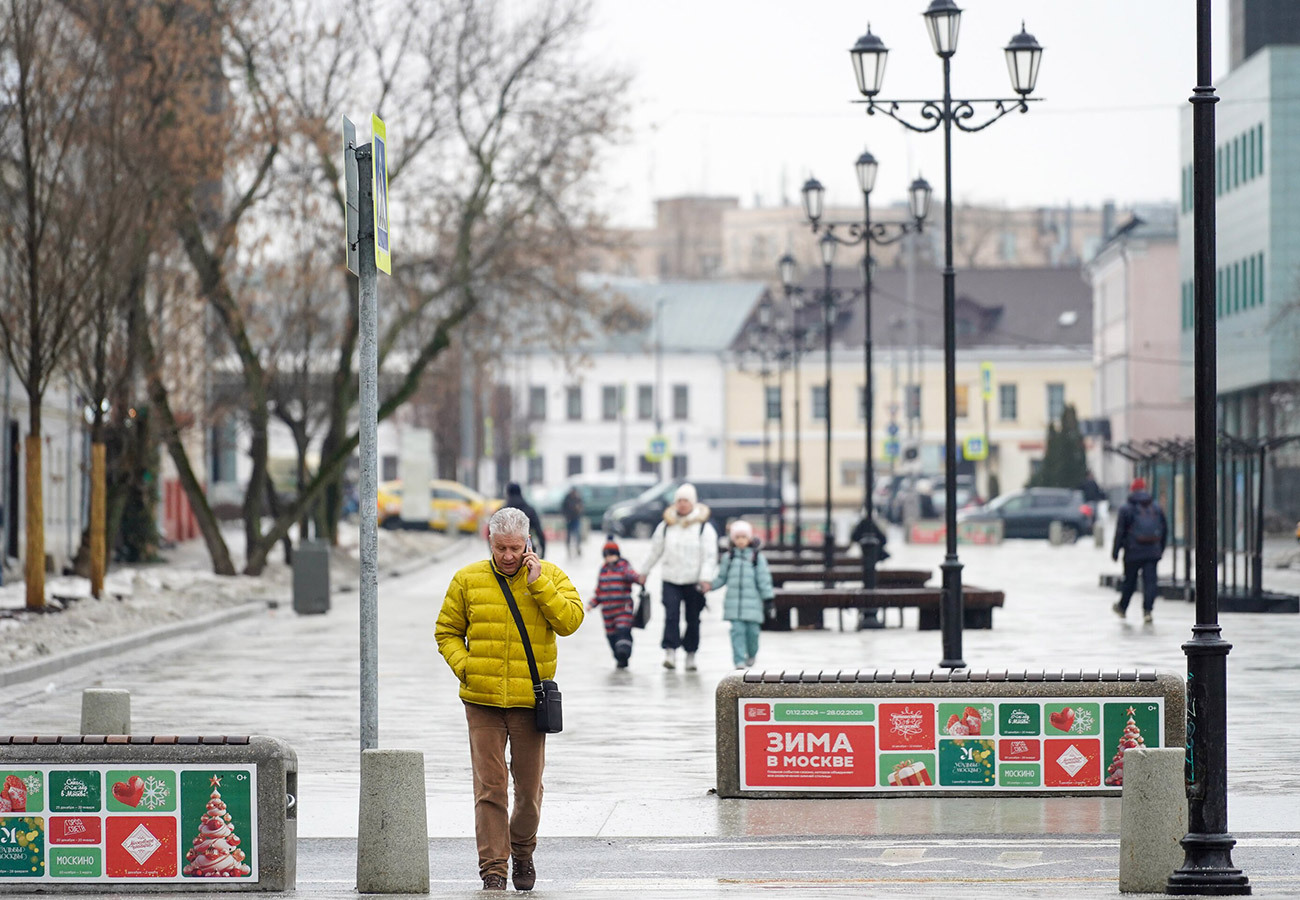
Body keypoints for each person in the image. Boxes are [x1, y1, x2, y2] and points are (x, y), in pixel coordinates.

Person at [435, 506, 584, 891]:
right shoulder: (467, 580)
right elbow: (446, 631)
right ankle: (493, 869)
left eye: (515, 548)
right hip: (481, 700)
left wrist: (539, 584)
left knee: (529, 791)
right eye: (501, 547)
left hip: (528, 702)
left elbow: (570, 622)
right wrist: (465, 667)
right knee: (490, 786)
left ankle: (522, 850)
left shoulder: (549, 576)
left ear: (528, 544)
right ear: (490, 542)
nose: (507, 556)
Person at [640, 483, 718, 672]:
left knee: (693, 618)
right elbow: (655, 551)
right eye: (679, 501)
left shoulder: (703, 528)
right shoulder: (666, 526)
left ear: (693, 502)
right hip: (671, 579)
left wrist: (706, 578)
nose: (682, 504)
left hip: (694, 581)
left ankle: (691, 654)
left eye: (686, 501)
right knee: (671, 616)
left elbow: (710, 556)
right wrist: (644, 571)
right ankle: (670, 651)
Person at [713, 520, 774, 669]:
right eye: (737, 537)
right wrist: (708, 586)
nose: (740, 540)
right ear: (733, 539)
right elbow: (721, 578)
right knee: (737, 632)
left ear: (749, 538)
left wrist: (768, 599)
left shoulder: (756, 558)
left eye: (743, 537)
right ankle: (739, 661)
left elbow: (763, 579)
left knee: (753, 633)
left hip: (753, 604)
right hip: (734, 605)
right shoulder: (729, 557)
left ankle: (752, 654)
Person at [1111, 477, 1167, 625]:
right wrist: (1160, 549)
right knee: (1150, 582)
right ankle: (1147, 611)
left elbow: (1120, 532)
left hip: (1133, 551)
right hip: (1152, 551)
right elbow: (1164, 529)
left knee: (1129, 581)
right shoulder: (1155, 506)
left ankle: (1122, 608)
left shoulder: (1126, 508)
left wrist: (1115, 551)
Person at [590, 538, 642, 668]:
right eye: (607, 555)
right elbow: (600, 590)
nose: (609, 558)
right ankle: (619, 657)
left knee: (623, 632)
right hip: (607, 612)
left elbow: (633, 576)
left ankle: (624, 653)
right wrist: (593, 603)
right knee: (611, 636)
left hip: (623, 609)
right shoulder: (603, 569)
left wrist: (639, 578)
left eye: (612, 554)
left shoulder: (624, 566)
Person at [502, 482, 546, 558]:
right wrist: (542, 555)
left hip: (505, 553)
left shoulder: (502, 511)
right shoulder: (529, 510)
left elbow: (491, 532)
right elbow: (539, 532)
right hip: (527, 551)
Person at [561, 487, 585, 558]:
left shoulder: (578, 499)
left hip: (576, 519)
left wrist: (579, 510)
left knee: (577, 534)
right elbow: (563, 508)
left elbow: (582, 508)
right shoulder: (567, 498)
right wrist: (565, 516)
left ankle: (578, 547)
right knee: (569, 535)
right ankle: (569, 549)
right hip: (569, 519)